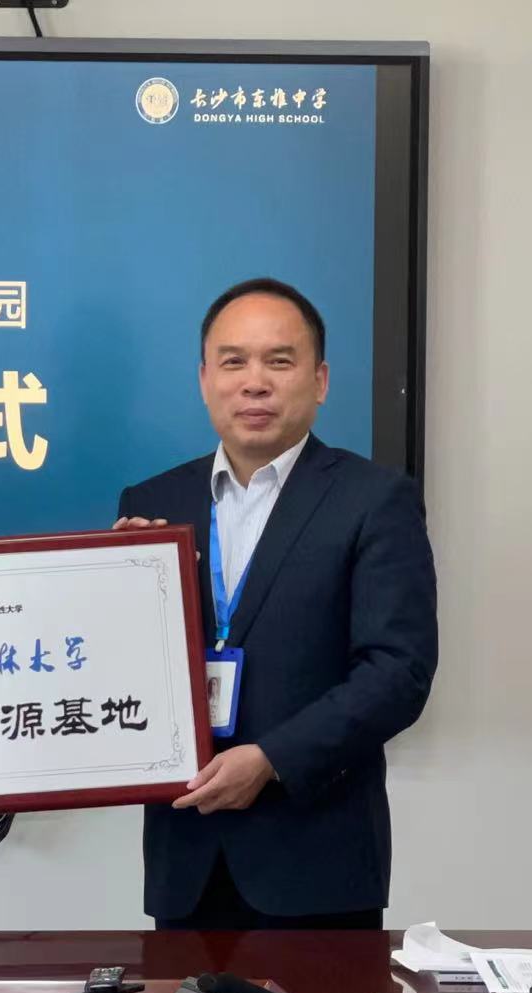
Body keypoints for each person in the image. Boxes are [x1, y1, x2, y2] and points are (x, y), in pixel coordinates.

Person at [114, 278, 436, 929]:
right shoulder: (152, 504)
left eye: (279, 361)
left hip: (316, 862)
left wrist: (271, 760)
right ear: (204, 379)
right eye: (233, 361)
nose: (254, 383)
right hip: (185, 860)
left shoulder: (375, 499)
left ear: (320, 381)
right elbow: (125, 668)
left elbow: (397, 672)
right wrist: (119, 593)